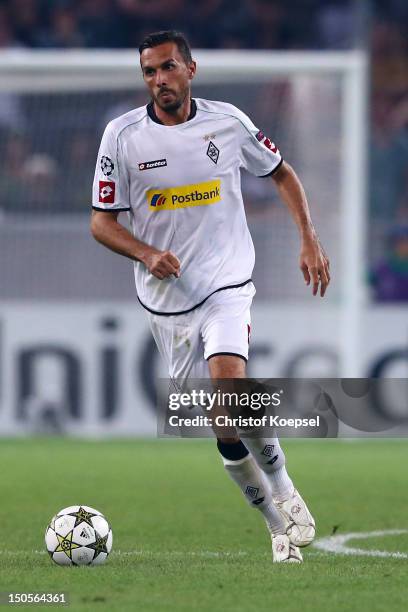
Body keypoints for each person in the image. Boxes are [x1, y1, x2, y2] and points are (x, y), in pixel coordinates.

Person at [90, 30, 330, 563]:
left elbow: (282, 173)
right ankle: (274, 525)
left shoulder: (229, 122)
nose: (159, 80)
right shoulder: (122, 137)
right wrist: (146, 253)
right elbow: (101, 223)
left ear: (191, 70)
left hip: (226, 282)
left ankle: (284, 488)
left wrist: (309, 236)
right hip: (166, 299)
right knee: (223, 423)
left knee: (231, 385)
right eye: (149, 72)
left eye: (168, 68)